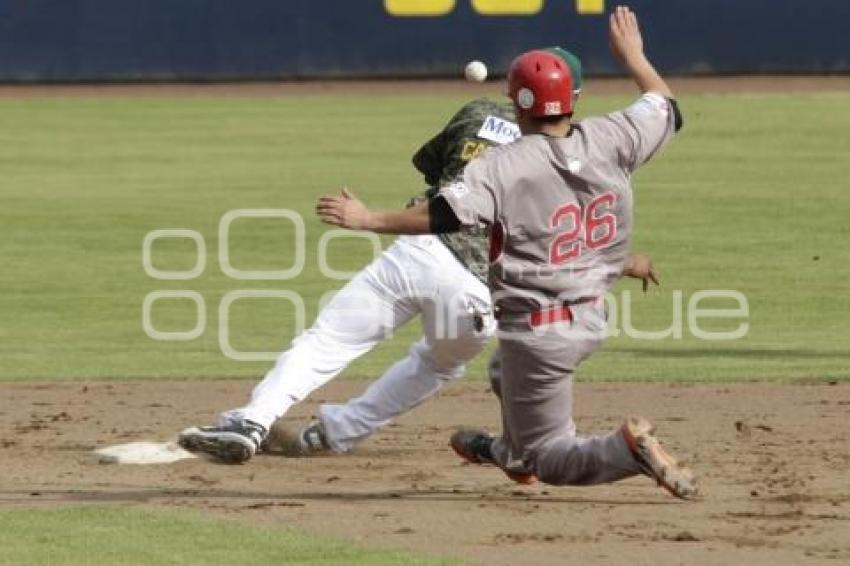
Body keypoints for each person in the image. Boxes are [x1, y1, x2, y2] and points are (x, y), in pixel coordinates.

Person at [316, 6, 697, 498]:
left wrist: (368, 219)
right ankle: (508, 453)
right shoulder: (613, 135)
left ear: (518, 105)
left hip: (539, 332)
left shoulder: (504, 166)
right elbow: (667, 107)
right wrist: (634, 57)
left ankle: (624, 450)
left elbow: (444, 214)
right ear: (572, 100)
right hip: (591, 315)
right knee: (502, 371)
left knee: (551, 458)